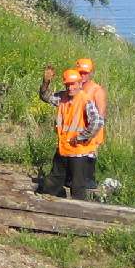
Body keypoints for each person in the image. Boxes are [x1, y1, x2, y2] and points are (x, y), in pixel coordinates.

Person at [39, 65, 105, 200]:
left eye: (73, 84)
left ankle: (78, 214)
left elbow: (97, 122)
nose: (70, 88)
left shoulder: (85, 100)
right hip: (63, 149)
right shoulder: (62, 97)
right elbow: (45, 96)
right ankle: (52, 205)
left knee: (78, 186)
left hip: (79, 151)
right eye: (67, 85)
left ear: (80, 84)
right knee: (53, 181)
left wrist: (81, 137)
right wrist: (46, 82)